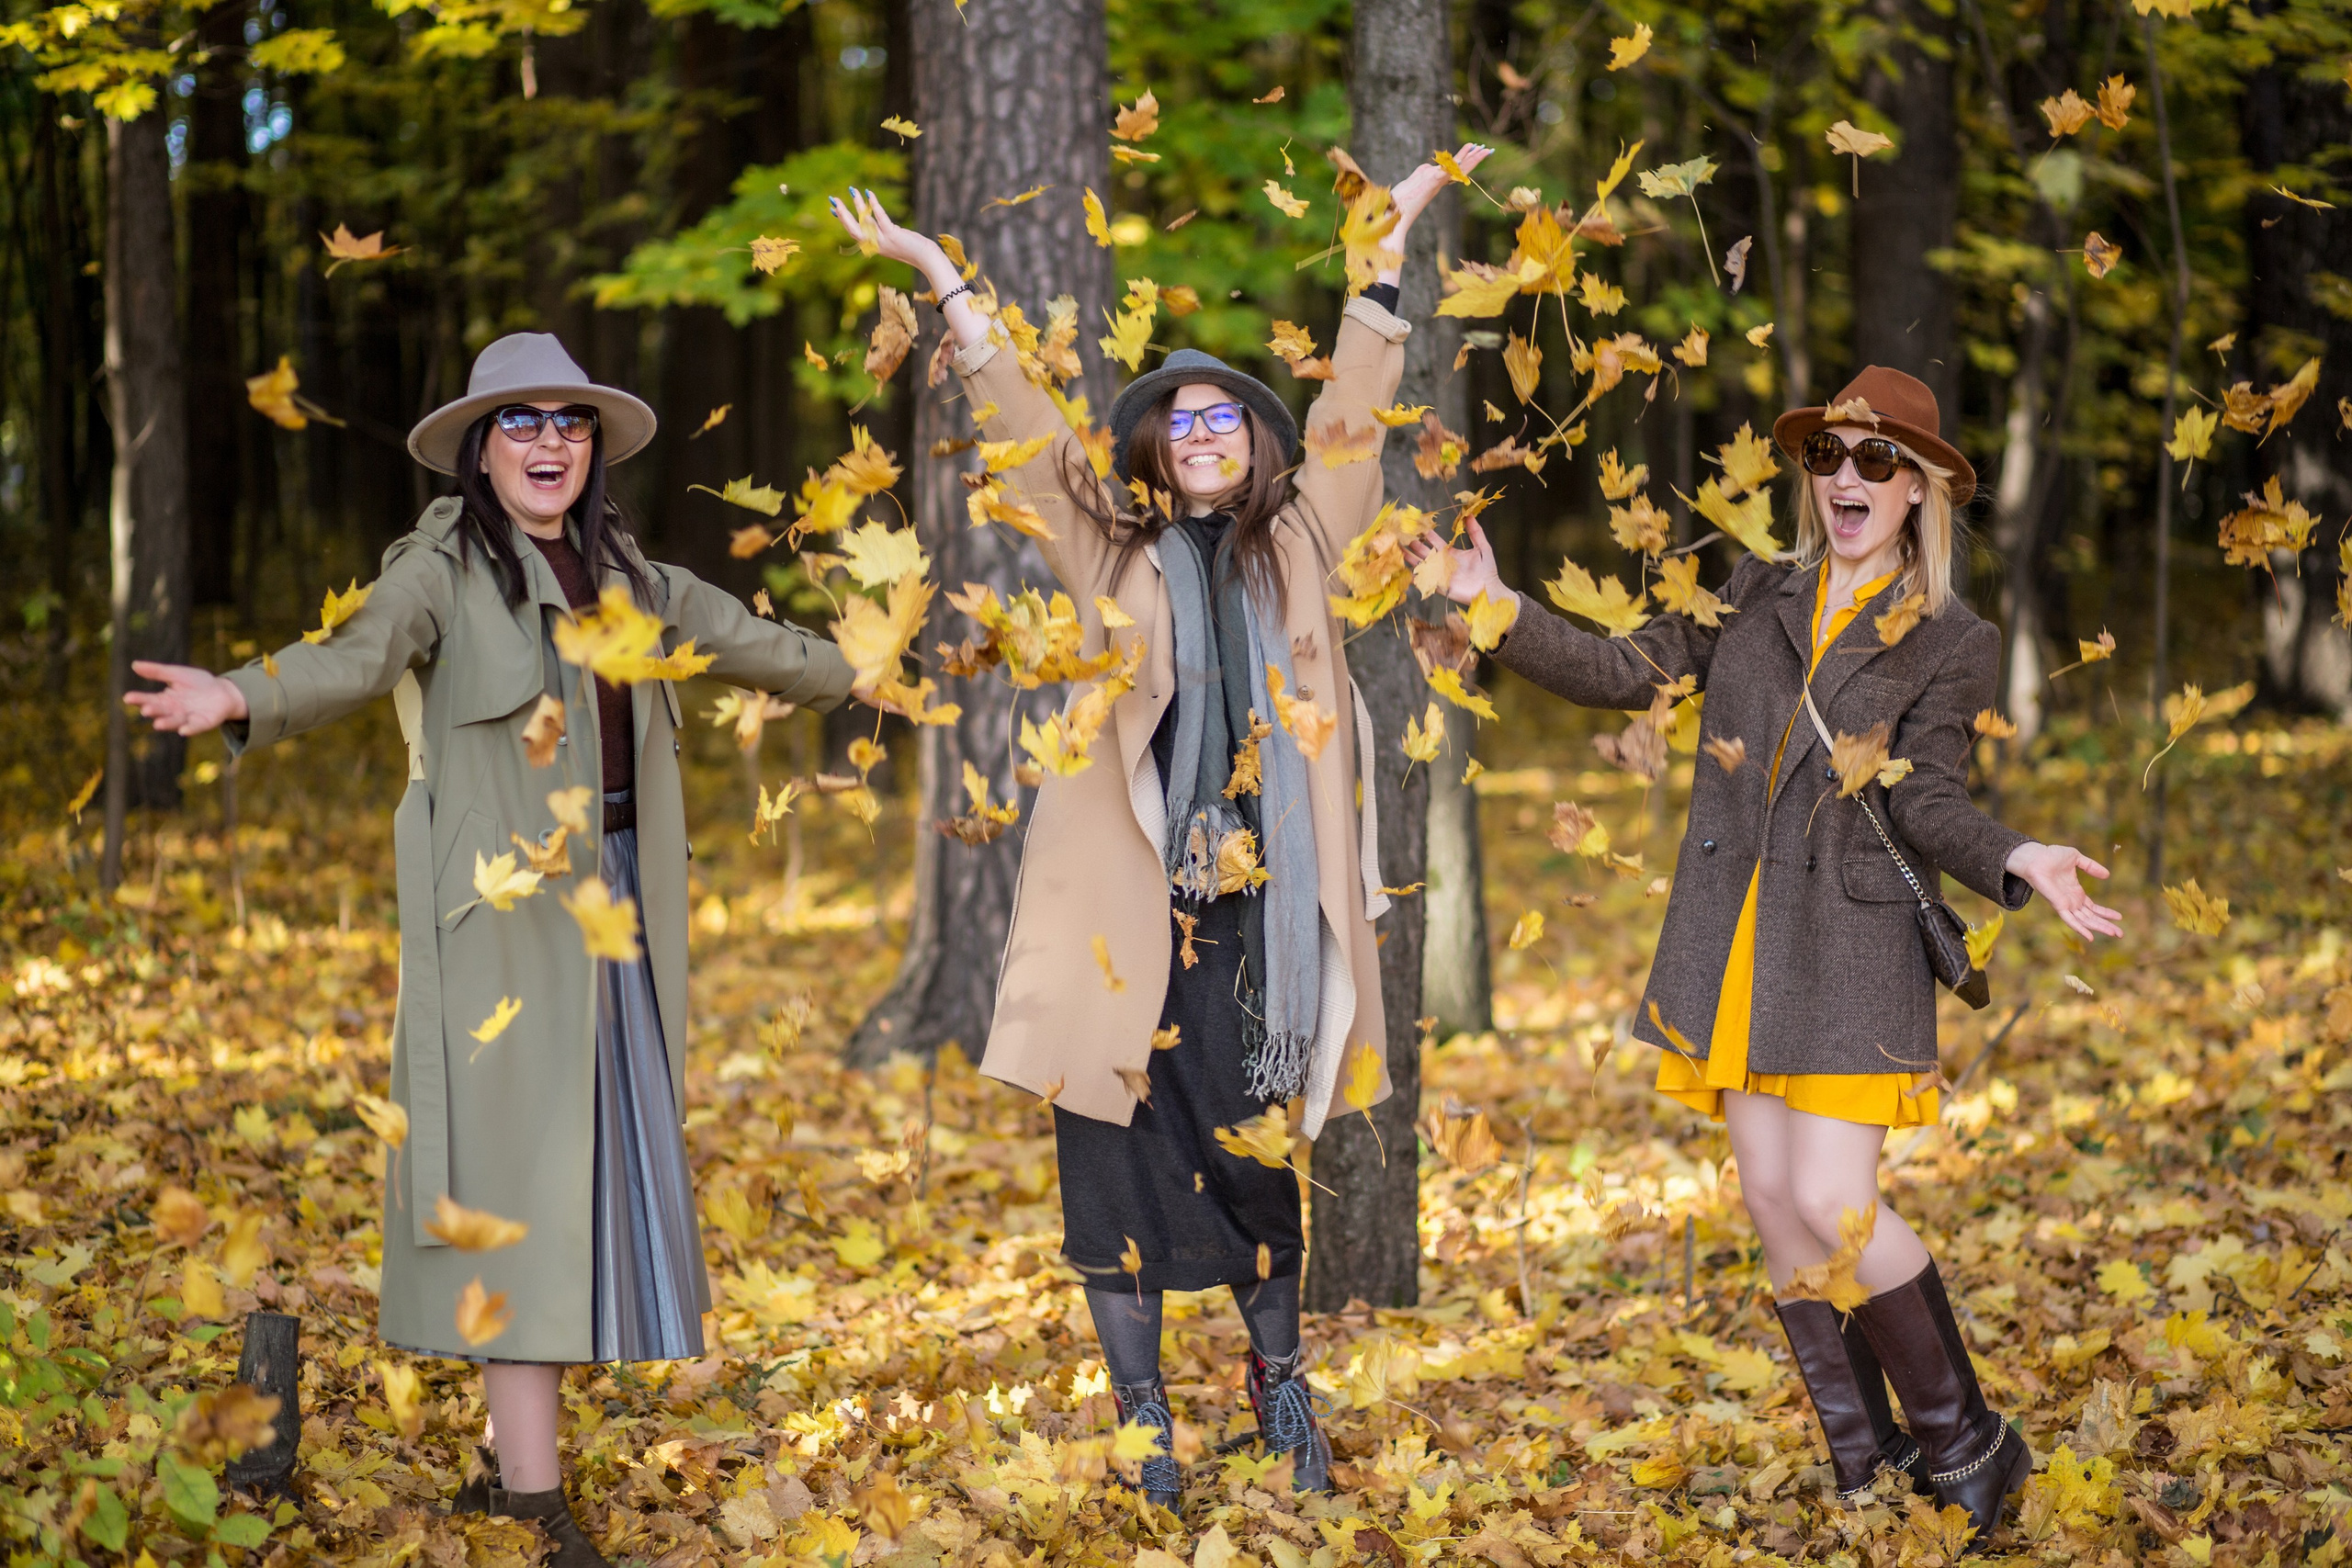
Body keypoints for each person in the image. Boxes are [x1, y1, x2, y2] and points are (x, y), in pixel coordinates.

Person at [827, 149, 1488, 1511]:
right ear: (1150, 449)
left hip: (1261, 924)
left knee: (1254, 1170)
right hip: (1129, 924)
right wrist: (942, 277)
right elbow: (1017, 422)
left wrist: (1385, 247)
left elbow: (1358, 412)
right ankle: (1144, 1429)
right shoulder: (1108, 545)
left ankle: (1280, 1395)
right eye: (1177, 422)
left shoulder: (1307, 536)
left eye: (1222, 420)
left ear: (1256, 444)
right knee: (1111, 1164)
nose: (1199, 435)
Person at [125, 334, 854, 1564]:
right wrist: (242, 692)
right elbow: (358, 651)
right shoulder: (441, 565)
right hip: (504, 929)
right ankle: (530, 1498)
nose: (549, 442)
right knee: (521, 1202)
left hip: (619, 922)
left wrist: (892, 670)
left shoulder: (632, 570)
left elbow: (761, 642)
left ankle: (499, 1459)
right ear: (479, 446)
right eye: (520, 422)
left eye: (570, 422)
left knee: (588, 1197)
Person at [1410, 366, 2122, 1539]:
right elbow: (1621, 670)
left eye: (1876, 460)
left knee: (1834, 1208)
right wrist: (1494, 605)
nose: (1847, 477)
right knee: (1773, 1206)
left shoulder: (1950, 636)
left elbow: (1928, 798)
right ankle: (1865, 1459)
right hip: (1732, 930)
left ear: (1922, 490)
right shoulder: (1757, 588)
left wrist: (2017, 855)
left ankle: (1972, 1447)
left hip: (1848, 946)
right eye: (1829, 456)